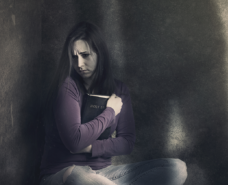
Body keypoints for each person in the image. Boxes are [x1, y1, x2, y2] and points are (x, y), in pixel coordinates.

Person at [39, 21, 187, 185]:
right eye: (74, 57)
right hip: (63, 176)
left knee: (176, 168)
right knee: (78, 176)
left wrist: (91, 148)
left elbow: (127, 142)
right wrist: (110, 112)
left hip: (105, 176)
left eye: (85, 55)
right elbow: (75, 142)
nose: (79, 64)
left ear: (100, 53)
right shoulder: (67, 87)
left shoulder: (119, 90)